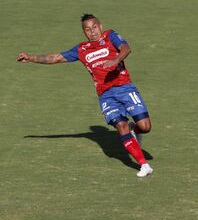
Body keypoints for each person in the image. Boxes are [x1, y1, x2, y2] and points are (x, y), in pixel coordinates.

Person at [17, 13, 153, 177]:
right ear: (84, 33)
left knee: (145, 127)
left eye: (94, 27)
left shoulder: (110, 36)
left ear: (100, 26)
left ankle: (135, 129)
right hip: (106, 96)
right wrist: (31, 57)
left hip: (125, 88)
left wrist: (116, 60)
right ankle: (143, 165)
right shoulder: (81, 49)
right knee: (121, 125)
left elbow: (126, 48)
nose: (92, 32)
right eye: (88, 29)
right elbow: (55, 58)